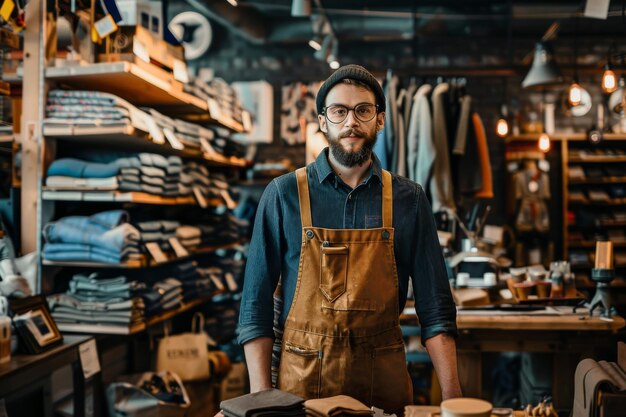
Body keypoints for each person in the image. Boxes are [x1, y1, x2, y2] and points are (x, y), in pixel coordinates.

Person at [235, 65, 462, 414]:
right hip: (300, 390)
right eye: (339, 111)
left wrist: (453, 402)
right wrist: (262, 401)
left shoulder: (409, 199)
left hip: (383, 388)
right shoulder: (283, 195)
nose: (351, 122)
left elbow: (436, 311)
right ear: (323, 121)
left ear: (380, 120)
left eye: (363, 110)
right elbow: (255, 309)